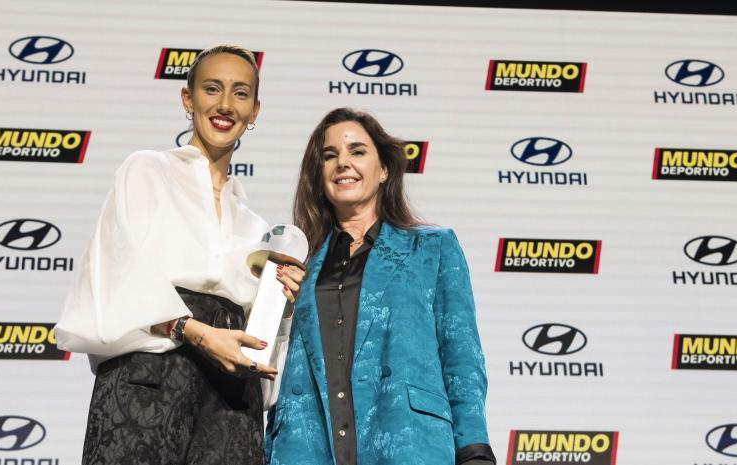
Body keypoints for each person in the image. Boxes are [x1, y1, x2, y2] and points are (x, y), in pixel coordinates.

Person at [54, 44, 305, 465]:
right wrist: (198, 332)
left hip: (230, 398)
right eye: (212, 89)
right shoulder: (146, 171)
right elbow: (117, 273)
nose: (225, 105)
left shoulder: (256, 226)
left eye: (241, 93)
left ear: (255, 110)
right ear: (188, 99)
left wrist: (279, 311)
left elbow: (260, 344)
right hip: (148, 379)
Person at [265, 108, 496, 465]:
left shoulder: (432, 247)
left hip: (408, 443)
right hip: (304, 448)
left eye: (357, 151)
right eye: (330, 156)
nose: (343, 163)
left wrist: (473, 449)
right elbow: (269, 359)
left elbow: (461, 357)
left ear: (384, 169)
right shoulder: (296, 262)